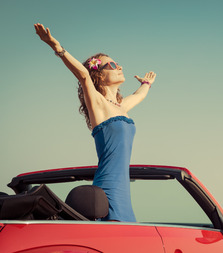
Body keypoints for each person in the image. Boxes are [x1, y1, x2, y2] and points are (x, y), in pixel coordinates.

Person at [34, 23, 156, 222]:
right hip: (107, 189)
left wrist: (146, 83)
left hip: (123, 191)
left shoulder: (121, 107)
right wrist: (57, 48)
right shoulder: (98, 104)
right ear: (99, 74)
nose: (120, 67)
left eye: (119, 64)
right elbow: (83, 75)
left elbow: (139, 96)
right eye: (113, 65)